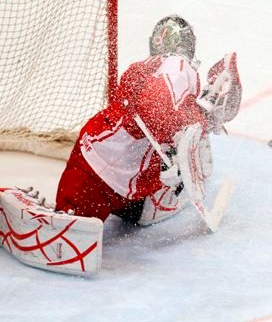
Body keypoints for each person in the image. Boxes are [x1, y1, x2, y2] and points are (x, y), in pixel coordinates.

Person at [55, 14, 242, 226]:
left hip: (100, 164)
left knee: (73, 225)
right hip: (102, 172)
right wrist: (199, 120)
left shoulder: (150, 66)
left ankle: (81, 214)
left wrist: (200, 117)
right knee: (69, 229)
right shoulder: (178, 65)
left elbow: (157, 113)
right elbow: (155, 111)